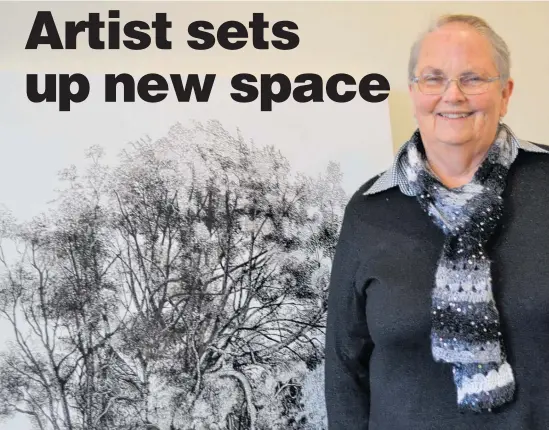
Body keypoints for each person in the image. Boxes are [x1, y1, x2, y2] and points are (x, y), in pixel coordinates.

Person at [324, 13, 549, 430]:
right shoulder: (370, 209)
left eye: (473, 78)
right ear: (413, 93)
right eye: (433, 78)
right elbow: (344, 368)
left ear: (505, 93)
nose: (453, 95)